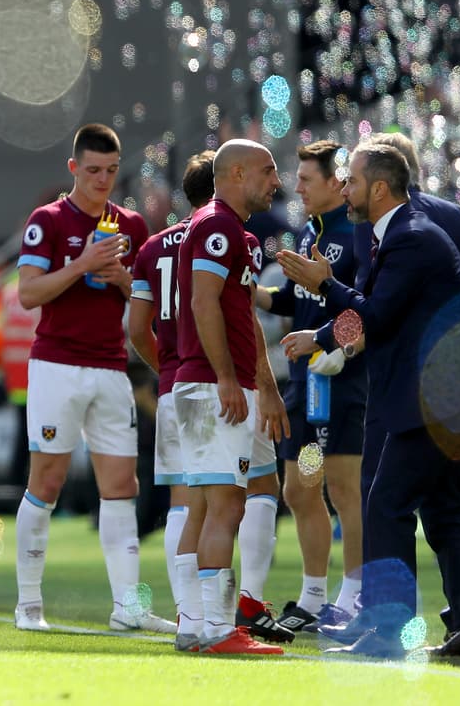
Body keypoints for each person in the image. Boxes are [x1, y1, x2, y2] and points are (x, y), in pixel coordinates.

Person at [277, 144, 460, 659]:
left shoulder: (410, 237)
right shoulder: (401, 233)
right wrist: (322, 336)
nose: (345, 190)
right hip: (454, 397)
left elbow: (374, 315)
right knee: (445, 513)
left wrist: (324, 285)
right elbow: (380, 313)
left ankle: (387, 632)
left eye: (352, 181)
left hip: (435, 399)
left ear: (379, 188)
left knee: (385, 505)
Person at [13, 123, 173, 634]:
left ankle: (128, 606)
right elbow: (28, 294)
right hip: (56, 366)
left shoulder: (131, 226)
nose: (102, 180)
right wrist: (81, 263)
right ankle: (28, 605)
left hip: (109, 367)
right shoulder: (48, 220)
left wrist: (122, 278)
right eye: (93, 170)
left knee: (122, 485)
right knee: (47, 481)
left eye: (110, 171)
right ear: (73, 168)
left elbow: (149, 302)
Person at [171, 139, 289, 655]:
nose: (276, 181)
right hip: (211, 383)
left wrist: (264, 386)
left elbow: (242, 314)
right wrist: (224, 376)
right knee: (226, 506)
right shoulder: (216, 226)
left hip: (217, 382)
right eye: (268, 171)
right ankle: (220, 628)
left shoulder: (234, 232)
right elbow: (204, 302)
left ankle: (196, 624)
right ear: (236, 173)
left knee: (208, 504)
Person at [253, 141, 366, 634]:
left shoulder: (359, 234)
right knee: (299, 490)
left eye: (306, 178)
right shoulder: (307, 232)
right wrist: (253, 292)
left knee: (342, 489)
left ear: (336, 182)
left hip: (343, 385)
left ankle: (355, 598)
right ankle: (314, 598)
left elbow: (367, 310)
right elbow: (293, 300)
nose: (295, 186)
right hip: (305, 385)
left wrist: (330, 345)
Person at [128, 151, 215, 621]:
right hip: (215, 383)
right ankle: (219, 610)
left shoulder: (152, 247)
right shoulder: (226, 239)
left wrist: (167, 365)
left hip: (172, 385)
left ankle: (187, 612)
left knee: (181, 500)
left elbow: (136, 329)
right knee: (224, 500)